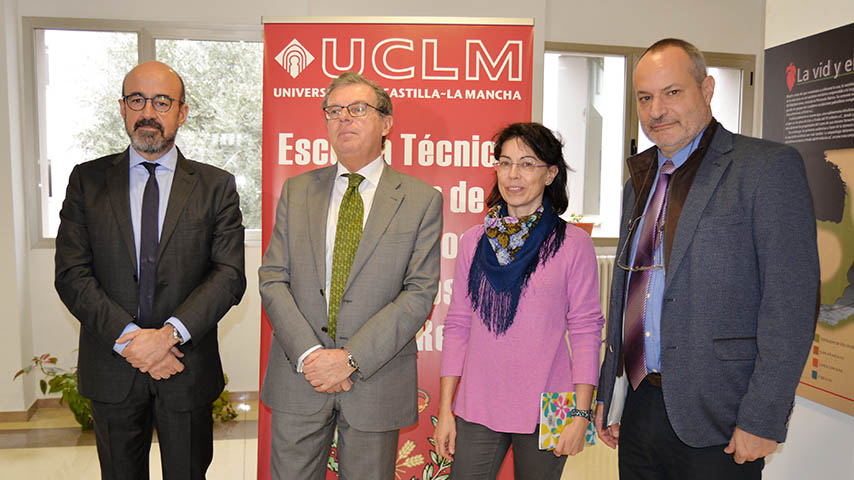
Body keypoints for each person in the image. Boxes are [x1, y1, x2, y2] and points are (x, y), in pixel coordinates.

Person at [595, 38, 819, 479]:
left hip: (722, 417)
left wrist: (764, 416)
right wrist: (614, 389)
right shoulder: (638, 183)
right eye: (645, 98)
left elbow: (790, 304)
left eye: (672, 92)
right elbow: (626, 295)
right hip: (640, 409)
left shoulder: (766, 169)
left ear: (708, 88)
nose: (657, 110)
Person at [54, 61, 246, 479]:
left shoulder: (216, 186)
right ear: (122, 108)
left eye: (162, 101)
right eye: (137, 100)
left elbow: (228, 276)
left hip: (186, 368)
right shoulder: (86, 181)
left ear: (182, 112)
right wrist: (131, 342)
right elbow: (72, 274)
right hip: (112, 369)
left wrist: (167, 337)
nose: (148, 112)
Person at [259, 71, 443, 479]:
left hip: (376, 380)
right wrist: (312, 356)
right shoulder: (296, 190)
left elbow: (418, 293)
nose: (345, 119)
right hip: (299, 378)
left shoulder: (421, 201)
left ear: (387, 123)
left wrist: (350, 359)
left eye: (358, 109)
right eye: (334, 111)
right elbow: (272, 278)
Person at [434, 122, 605, 479]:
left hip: (550, 405)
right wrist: (446, 409)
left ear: (550, 173)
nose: (514, 174)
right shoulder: (473, 241)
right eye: (505, 162)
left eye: (527, 164)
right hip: (479, 403)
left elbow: (587, 330)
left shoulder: (573, 244)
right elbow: (458, 324)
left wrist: (582, 415)